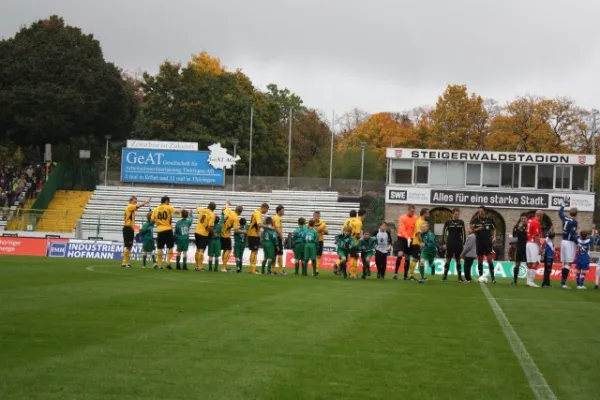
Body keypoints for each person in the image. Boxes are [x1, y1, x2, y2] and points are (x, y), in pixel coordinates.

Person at [151, 196, 182, 270]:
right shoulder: (168, 207)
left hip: (160, 230)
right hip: (168, 229)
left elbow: (151, 221)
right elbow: (177, 212)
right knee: (170, 247)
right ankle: (168, 263)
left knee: (160, 247)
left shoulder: (155, 209)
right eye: (168, 201)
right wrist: (181, 209)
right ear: (166, 201)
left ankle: (159, 264)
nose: (169, 202)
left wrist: (158, 222)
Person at [122, 196, 150, 268]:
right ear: (130, 201)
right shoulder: (130, 206)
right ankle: (124, 263)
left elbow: (137, 207)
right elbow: (138, 206)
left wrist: (143, 204)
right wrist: (146, 202)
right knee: (128, 246)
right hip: (128, 228)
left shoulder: (131, 208)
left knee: (129, 246)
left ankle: (127, 262)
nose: (136, 202)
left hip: (129, 228)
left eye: (136, 201)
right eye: (134, 201)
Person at [470, 206, 496, 283]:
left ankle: (493, 278)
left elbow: (494, 228)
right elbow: (471, 229)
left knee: (489, 260)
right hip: (479, 241)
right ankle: (480, 276)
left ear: (485, 211)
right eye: (479, 211)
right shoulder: (475, 220)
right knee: (480, 260)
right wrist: (477, 229)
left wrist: (494, 237)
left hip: (488, 242)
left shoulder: (490, 220)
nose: (480, 212)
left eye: (481, 211)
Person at [394, 205, 418, 280]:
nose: (412, 213)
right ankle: (396, 273)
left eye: (413, 211)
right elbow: (402, 229)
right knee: (400, 254)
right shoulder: (402, 218)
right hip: (402, 238)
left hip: (411, 239)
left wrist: (413, 238)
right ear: (408, 210)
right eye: (411, 211)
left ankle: (405, 275)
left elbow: (416, 229)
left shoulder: (416, 218)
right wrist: (407, 237)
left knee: (407, 257)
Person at [559, 198, 578, 289]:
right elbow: (573, 235)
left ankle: (562, 281)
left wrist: (563, 205)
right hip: (569, 242)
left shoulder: (565, 218)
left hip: (563, 241)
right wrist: (579, 243)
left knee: (564, 262)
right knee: (568, 262)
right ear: (576, 214)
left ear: (570, 212)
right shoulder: (574, 222)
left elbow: (560, 213)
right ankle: (563, 282)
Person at [442, 208, 466, 282]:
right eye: (456, 214)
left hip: (458, 243)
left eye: (458, 214)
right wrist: (444, 243)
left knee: (458, 260)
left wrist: (463, 243)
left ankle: (459, 277)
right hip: (450, 243)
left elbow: (463, 233)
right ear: (452, 214)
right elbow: (444, 233)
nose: (457, 215)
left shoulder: (461, 222)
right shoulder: (448, 222)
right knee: (448, 259)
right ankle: (445, 276)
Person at [221, 200, 244, 272]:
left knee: (225, 250)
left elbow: (226, 208)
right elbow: (236, 230)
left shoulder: (230, 211)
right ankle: (223, 268)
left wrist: (227, 203)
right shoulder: (236, 218)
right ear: (240, 212)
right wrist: (244, 232)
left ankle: (224, 266)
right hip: (226, 234)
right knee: (228, 250)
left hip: (221, 232)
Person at [407, 208, 429, 280]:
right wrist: (423, 242)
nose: (428, 214)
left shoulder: (423, 221)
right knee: (415, 259)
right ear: (424, 213)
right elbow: (418, 234)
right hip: (417, 243)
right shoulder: (419, 221)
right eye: (427, 213)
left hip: (420, 244)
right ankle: (411, 275)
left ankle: (421, 276)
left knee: (420, 260)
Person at [194, 202, 216, 271]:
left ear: (208, 206)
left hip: (197, 231)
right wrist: (214, 233)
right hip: (203, 233)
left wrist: (198, 205)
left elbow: (197, 208)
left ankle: (197, 266)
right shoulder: (212, 215)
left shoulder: (202, 210)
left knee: (197, 249)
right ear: (214, 209)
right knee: (201, 250)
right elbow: (209, 227)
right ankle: (200, 267)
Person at [248, 203, 270, 274]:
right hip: (254, 234)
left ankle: (252, 268)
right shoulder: (258, 213)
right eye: (266, 210)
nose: (266, 211)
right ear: (264, 208)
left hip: (252, 234)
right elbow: (259, 224)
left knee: (253, 251)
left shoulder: (256, 211)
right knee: (254, 251)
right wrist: (268, 226)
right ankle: (253, 269)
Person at [525, 210, 544, 288]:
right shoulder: (536, 222)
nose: (542, 217)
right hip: (533, 243)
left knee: (529, 262)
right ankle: (531, 281)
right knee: (535, 262)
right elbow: (536, 236)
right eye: (542, 215)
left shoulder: (530, 220)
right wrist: (540, 247)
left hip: (528, 243)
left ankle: (528, 281)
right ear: (540, 215)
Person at [511, 214, 528, 286]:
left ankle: (529, 281)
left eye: (524, 218)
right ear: (520, 219)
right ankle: (515, 281)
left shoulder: (529, 226)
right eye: (522, 219)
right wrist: (518, 228)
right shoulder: (517, 226)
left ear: (527, 219)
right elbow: (514, 235)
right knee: (517, 263)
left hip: (528, 247)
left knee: (529, 264)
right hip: (520, 246)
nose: (523, 220)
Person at [272, 205, 286, 275]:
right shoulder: (277, 218)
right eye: (283, 210)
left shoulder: (276, 218)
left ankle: (273, 269)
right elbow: (277, 229)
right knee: (280, 253)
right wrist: (282, 237)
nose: (284, 212)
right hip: (277, 238)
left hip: (275, 238)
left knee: (274, 254)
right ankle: (280, 270)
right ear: (279, 211)